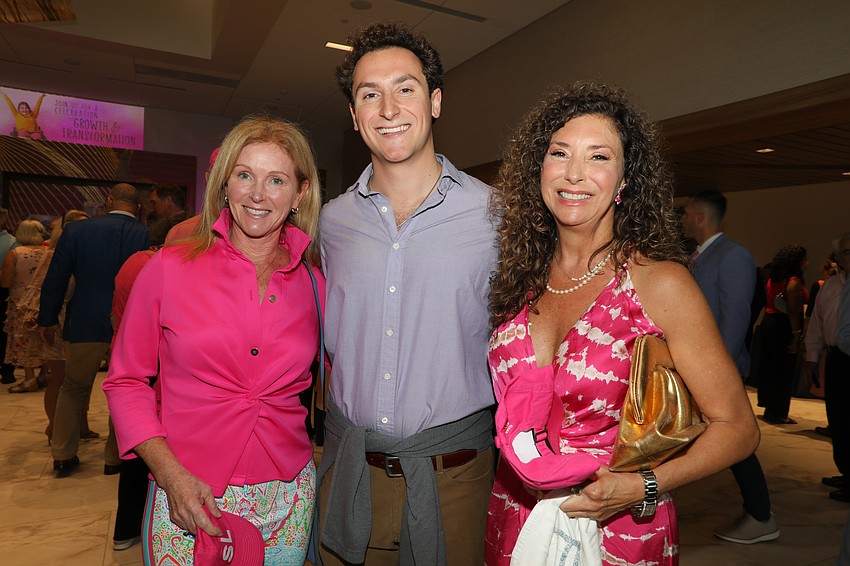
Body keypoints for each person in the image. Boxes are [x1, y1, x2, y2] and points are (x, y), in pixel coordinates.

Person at [485, 82, 759, 565]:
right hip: (518, 512)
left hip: (617, 524)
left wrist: (644, 485)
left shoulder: (658, 283)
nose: (574, 174)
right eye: (559, 153)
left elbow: (738, 428)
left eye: (598, 157)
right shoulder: (520, 272)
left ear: (625, 179)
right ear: (539, 168)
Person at [102, 115, 324, 564]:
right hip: (188, 494)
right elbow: (125, 382)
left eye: (276, 180)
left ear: (300, 194)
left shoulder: (314, 283)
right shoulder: (167, 268)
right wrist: (170, 476)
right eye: (244, 176)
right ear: (224, 186)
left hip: (289, 498)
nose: (258, 194)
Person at [316, 22, 497, 566]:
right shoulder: (332, 222)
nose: (388, 107)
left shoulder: (497, 217)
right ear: (354, 116)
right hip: (352, 474)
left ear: (435, 101)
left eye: (406, 88)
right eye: (369, 94)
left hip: (456, 479)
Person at [681, 190, 779, 543]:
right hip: (697, 368)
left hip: (716, 371)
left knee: (736, 442)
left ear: (701, 218)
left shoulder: (733, 255)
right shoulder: (699, 256)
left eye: (687, 213)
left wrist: (713, 375)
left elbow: (735, 321)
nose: (683, 219)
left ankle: (760, 515)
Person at [38, 184, 150, 477]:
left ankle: (62, 453)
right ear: (137, 207)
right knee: (124, 391)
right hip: (128, 325)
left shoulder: (77, 231)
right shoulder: (145, 235)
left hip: (84, 321)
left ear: (108, 201)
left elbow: (57, 277)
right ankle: (115, 458)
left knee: (73, 388)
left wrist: (47, 318)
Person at [806, 233, 850, 501]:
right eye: (845, 252)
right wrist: (812, 357)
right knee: (839, 418)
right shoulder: (831, 286)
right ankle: (846, 471)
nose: (849, 256)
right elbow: (817, 324)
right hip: (836, 359)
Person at [754, 245, 808, 424]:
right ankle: (778, 412)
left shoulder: (773, 279)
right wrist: (796, 333)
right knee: (784, 369)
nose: (807, 263)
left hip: (768, 323)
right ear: (798, 261)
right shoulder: (793, 281)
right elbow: (792, 309)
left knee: (769, 367)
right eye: (804, 259)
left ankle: (770, 408)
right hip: (783, 326)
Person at [1, 219, 49, 393]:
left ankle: (29, 379)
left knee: (23, 341)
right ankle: (45, 372)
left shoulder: (15, 254)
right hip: (44, 303)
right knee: (43, 340)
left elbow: (6, 282)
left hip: (21, 304)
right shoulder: (49, 253)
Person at [0, 208, 19, 384]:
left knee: (3, 332)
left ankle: (7, 370)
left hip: (3, 292)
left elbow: (12, 274)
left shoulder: (12, 243)